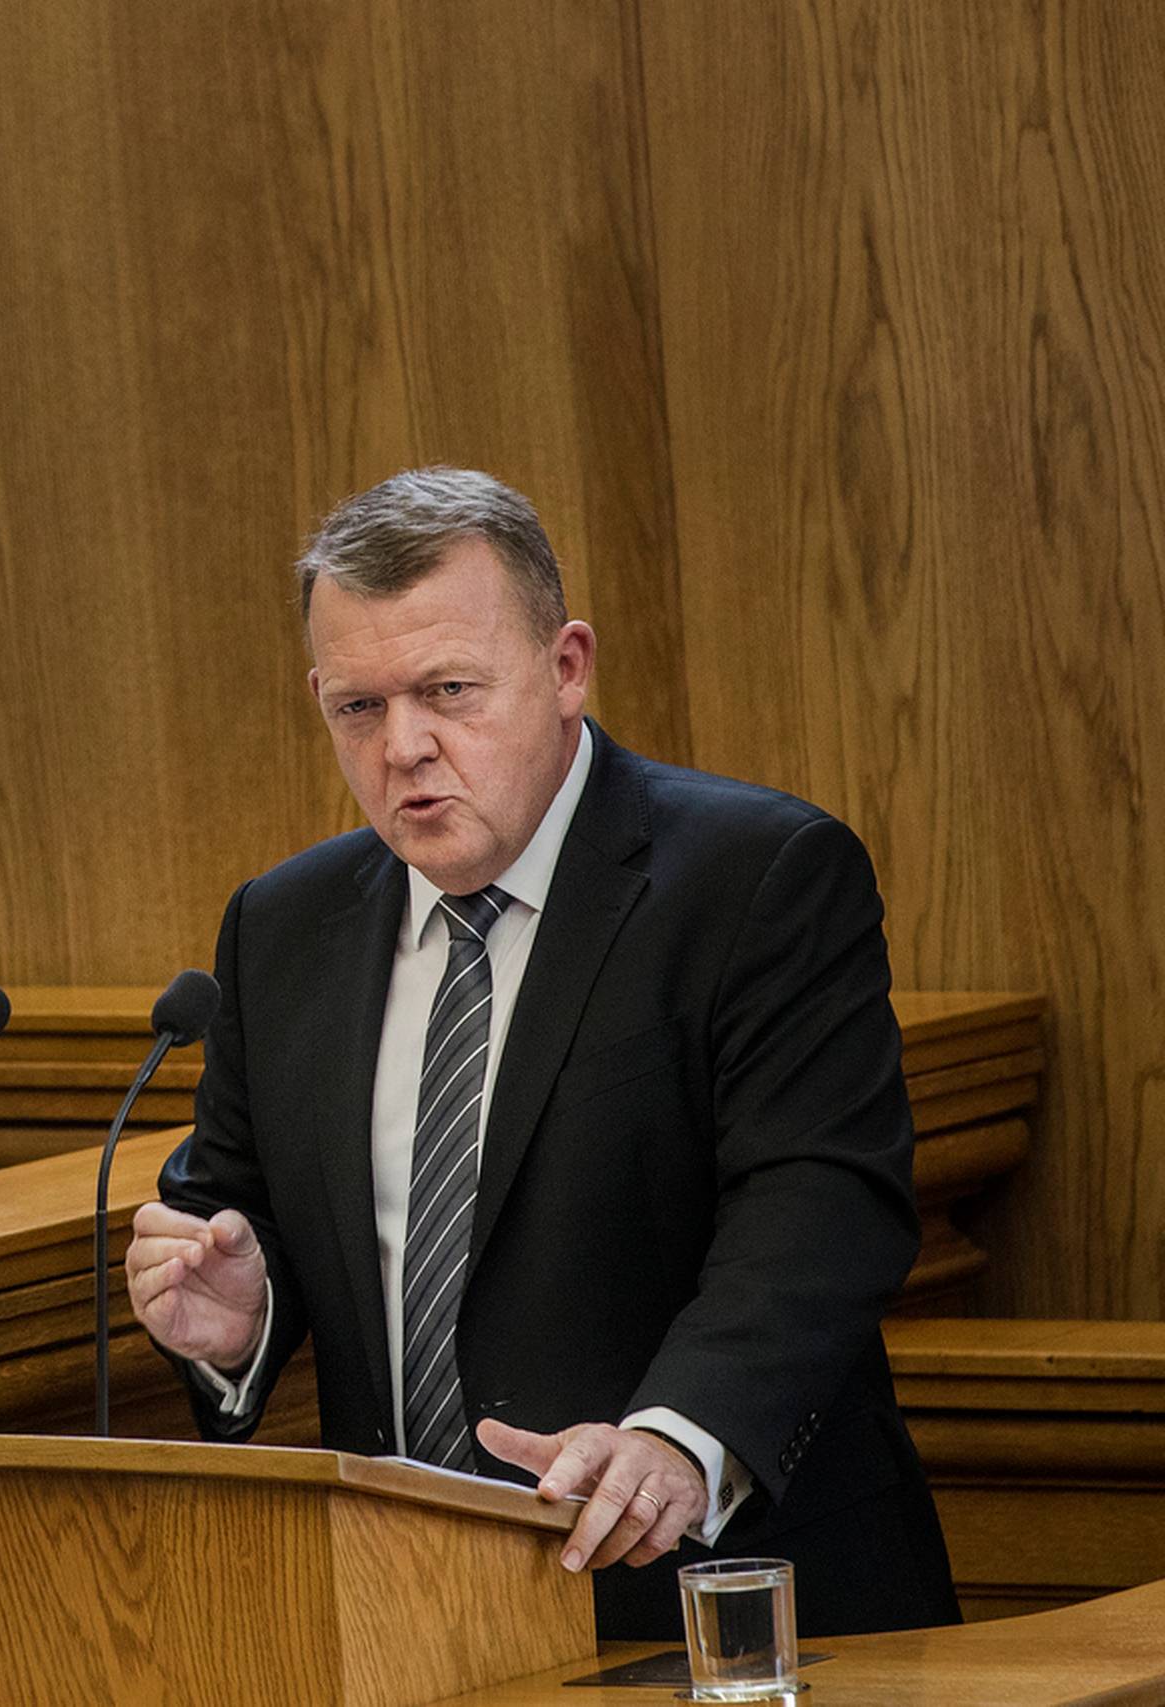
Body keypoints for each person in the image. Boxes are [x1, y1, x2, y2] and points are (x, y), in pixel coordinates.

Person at [127, 468, 957, 1639]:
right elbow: (237, 1207)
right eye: (358, 709)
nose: (404, 746)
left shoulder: (755, 878)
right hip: (405, 1620)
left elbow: (819, 1205)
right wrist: (236, 1316)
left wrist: (675, 1438)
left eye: (449, 690)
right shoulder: (283, 925)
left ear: (567, 667)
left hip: (717, 1600)